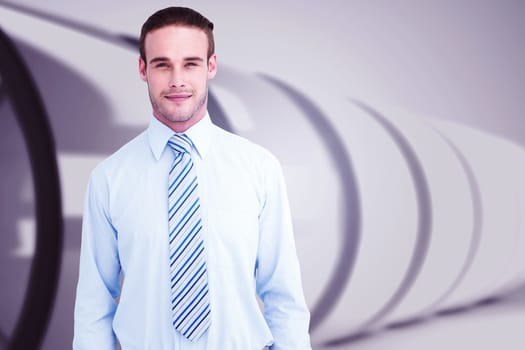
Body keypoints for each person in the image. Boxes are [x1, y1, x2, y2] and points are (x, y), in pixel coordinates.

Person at [73, 6, 311, 350]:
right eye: (162, 64)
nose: (177, 80)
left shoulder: (259, 169)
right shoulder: (109, 180)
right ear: (143, 69)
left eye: (191, 63)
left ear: (211, 66)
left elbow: (284, 296)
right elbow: (94, 307)